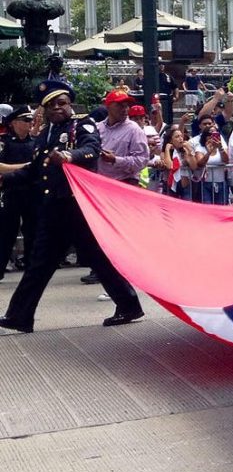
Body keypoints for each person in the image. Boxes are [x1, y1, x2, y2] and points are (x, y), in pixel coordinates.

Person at [0, 81, 145, 333]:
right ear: (44, 109)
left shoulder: (82, 123)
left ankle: (129, 305)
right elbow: (36, 170)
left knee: (98, 259)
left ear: (70, 104)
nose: (58, 108)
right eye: (51, 105)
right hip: (54, 206)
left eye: (62, 103)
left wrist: (70, 156)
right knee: (39, 263)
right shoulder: (47, 133)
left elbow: (92, 149)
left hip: (78, 205)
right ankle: (19, 316)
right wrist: (5, 179)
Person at [0, 106, 38, 279]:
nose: (30, 123)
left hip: (32, 192)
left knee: (33, 231)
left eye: (31, 120)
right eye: (26, 120)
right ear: (14, 123)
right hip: (11, 192)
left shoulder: (35, 142)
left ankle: (31, 270)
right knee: (6, 232)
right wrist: (27, 166)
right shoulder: (4, 142)